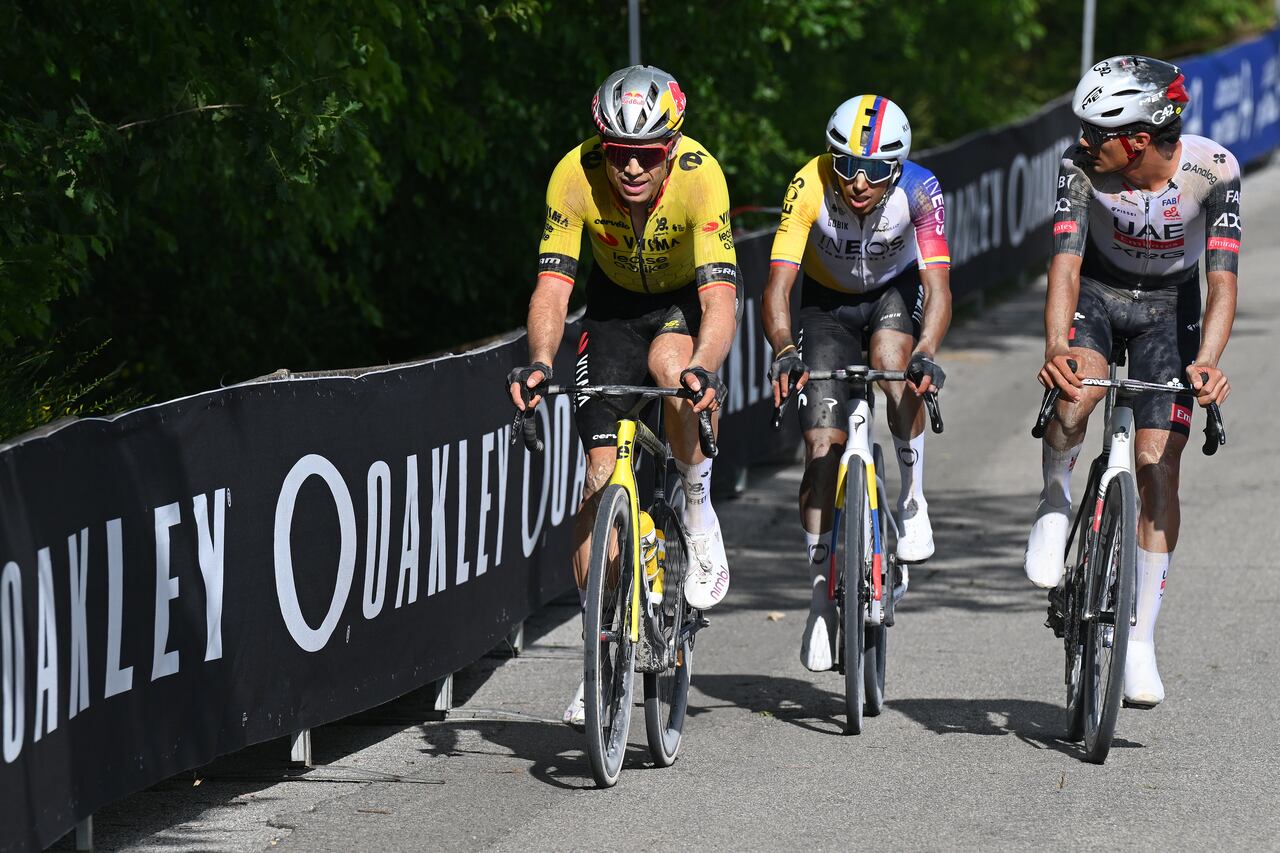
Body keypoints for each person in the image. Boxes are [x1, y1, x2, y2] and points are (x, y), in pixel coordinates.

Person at [508, 65, 740, 725]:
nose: (632, 167)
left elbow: (720, 298)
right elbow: (553, 288)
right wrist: (540, 362)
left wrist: (704, 366)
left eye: (648, 153)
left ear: (672, 146)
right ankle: (602, 650)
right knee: (597, 475)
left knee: (672, 368)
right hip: (611, 311)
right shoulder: (574, 174)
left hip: (679, 305)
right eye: (618, 153)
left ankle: (696, 505)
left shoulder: (701, 175)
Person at [1026, 56, 1239, 707]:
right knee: (1077, 395)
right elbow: (1065, 265)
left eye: (1096, 130)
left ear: (1139, 140)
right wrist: (1058, 345)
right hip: (1097, 291)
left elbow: (1222, 282)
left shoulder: (1214, 171)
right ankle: (1056, 495)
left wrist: (1208, 359)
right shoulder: (1080, 167)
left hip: (1170, 308)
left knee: (1158, 465)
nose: (1083, 139)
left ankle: (1140, 638)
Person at [763, 95, 951, 672]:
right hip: (826, 307)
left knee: (896, 368)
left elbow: (938, 289)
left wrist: (927, 352)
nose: (858, 181)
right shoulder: (809, 184)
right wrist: (784, 349)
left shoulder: (921, 189)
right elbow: (777, 287)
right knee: (821, 446)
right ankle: (821, 599)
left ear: (896, 167)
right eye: (845, 165)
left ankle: (912, 496)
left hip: (893, 293)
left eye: (872, 170)